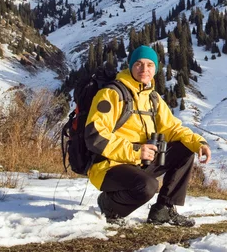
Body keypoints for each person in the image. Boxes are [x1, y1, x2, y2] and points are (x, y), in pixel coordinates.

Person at [84, 45, 211, 226]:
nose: (144, 69)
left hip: (139, 162)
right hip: (109, 166)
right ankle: (109, 205)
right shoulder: (111, 94)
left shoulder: (153, 98)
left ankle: (164, 210)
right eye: (139, 64)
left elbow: (173, 128)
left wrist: (198, 143)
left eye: (150, 65)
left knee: (185, 148)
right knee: (148, 186)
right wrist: (136, 151)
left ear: (156, 69)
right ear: (130, 66)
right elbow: (95, 135)